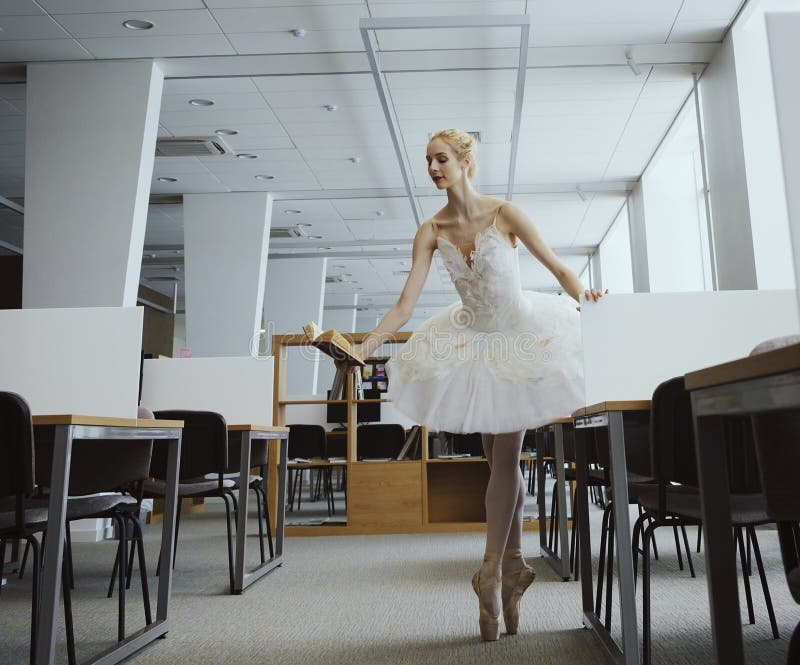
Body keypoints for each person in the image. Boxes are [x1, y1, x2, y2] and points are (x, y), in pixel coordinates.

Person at [335, 128, 605, 641]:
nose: (433, 169)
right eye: (428, 161)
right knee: (503, 463)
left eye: (441, 159)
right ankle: (508, 571)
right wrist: (364, 349)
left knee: (505, 461)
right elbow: (404, 306)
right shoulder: (430, 230)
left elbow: (559, 268)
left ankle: (495, 571)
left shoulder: (505, 213)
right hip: (474, 345)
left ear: (464, 161)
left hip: (525, 338)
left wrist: (590, 299)